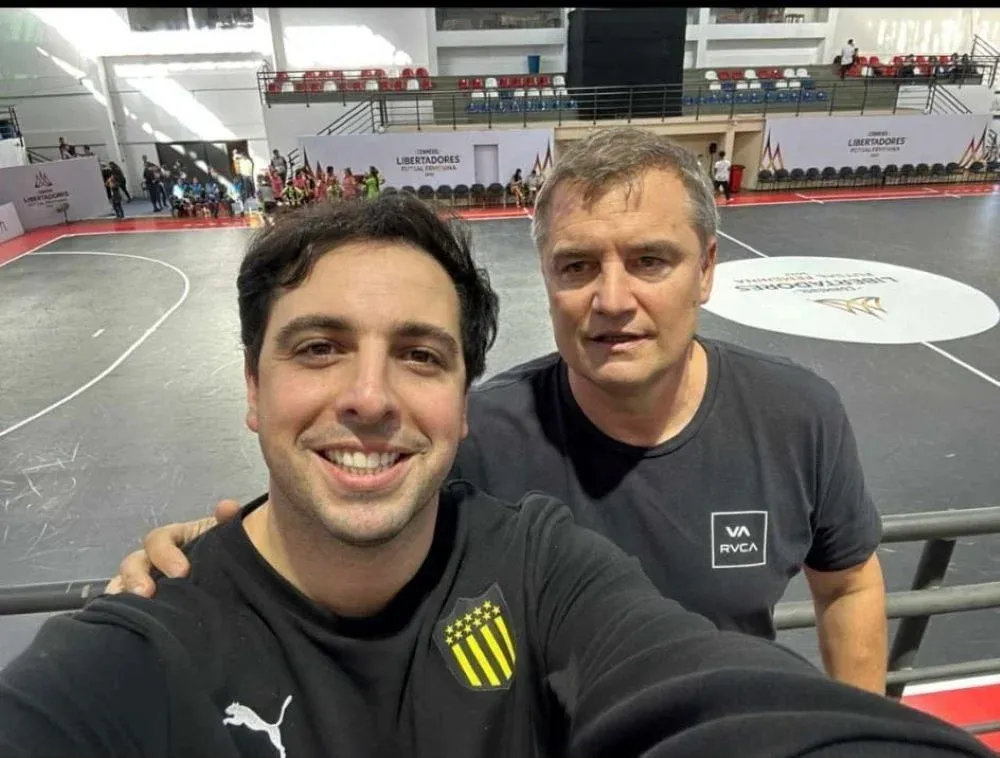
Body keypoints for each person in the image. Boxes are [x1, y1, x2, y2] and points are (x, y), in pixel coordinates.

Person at [2, 195, 993, 758]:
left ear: (464, 405)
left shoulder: (537, 567)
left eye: (421, 355)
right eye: (317, 347)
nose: (370, 395)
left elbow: (713, 689)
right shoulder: (142, 646)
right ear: (253, 390)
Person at [117, 128, 889, 695]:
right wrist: (206, 561)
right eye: (577, 266)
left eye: (650, 260)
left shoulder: (798, 417)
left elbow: (849, 585)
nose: (612, 300)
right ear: (546, 280)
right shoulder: (468, 438)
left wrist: (854, 729)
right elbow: (334, 541)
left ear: (708, 269)